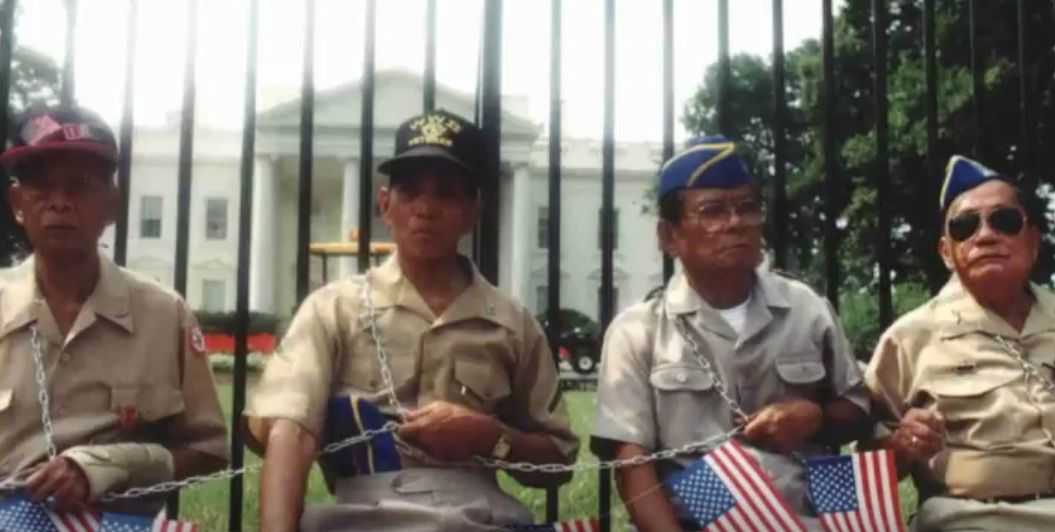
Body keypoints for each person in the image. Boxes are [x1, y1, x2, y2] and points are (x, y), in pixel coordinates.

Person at [246, 109, 577, 532]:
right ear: (386, 204)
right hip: (362, 515)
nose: (426, 208)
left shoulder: (512, 324)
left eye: (446, 193)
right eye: (410, 192)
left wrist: (488, 436)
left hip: (478, 515)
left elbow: (557, 462)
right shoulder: (334, 309)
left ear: (474, 209)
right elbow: (289, 431)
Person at [591, 136, 870, 531]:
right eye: (713, 211)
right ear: (669, 237)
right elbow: (632, 465)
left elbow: (858, 411)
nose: (736, 222)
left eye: (747, 207)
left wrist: (816, 418)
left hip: (809, 518)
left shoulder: (806, 309)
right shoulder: (639, 331)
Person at [0, 107, 229, 516]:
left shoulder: (164, 316)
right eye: (42, 188)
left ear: (112, 205)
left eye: (79, 187)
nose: (60, 203)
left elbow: (209, 450)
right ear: (17, 203)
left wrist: (113, 465)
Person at [865, 155, 1055, 531]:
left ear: (1034, 241)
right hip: (976, 518)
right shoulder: (911, 338)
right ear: (946, 252)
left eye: (1005, 221)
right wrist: (902, 445)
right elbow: (870, 466)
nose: (986, 235)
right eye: (964, 227)